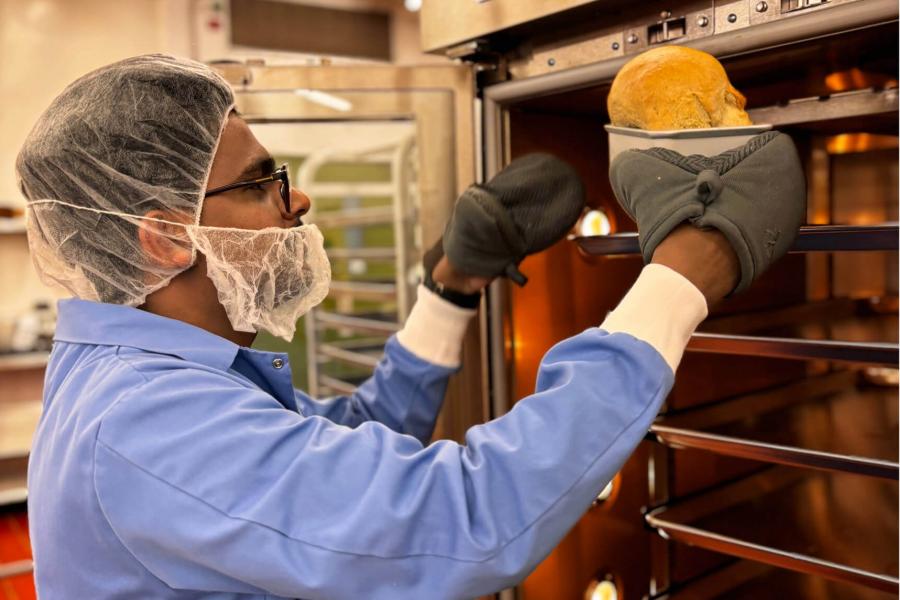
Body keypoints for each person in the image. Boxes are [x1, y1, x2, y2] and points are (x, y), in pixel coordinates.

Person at [16, 55, 802, 599]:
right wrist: (683, 275)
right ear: (165, 236)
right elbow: (463, 519)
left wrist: (451, 288)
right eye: (261, 184)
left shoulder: (140, 383)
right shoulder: (151, 427)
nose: (297, 201)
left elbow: (350, 455)